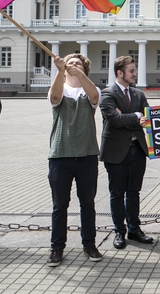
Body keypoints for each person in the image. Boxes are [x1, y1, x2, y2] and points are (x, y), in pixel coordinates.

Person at [46, 53, 103, 267]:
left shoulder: (91, 89)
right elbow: (54, 98)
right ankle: (57, 247)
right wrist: (61, 71)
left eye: (78, 63)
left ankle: (89, 244)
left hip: (87, 154)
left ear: (85, 69)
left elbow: (94, 97)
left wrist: (78, 73)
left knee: (87, 203)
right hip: (60, 154)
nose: (73, 65)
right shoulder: (59, 87)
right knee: (60, 205)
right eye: (70, 62)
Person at [99, 56, 153, 250]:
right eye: (131, 71)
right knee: (116, 193)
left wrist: (130, 116)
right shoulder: (107, 93)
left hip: (137, 150)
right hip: (116, 152)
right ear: (120, 73)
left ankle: (134, 229)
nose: (135, 74)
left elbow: (149, 116)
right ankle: (119, 231)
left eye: (134, 70)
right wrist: (137, 116)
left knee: (134, 192)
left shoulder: (139, 94)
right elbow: (115, 119)